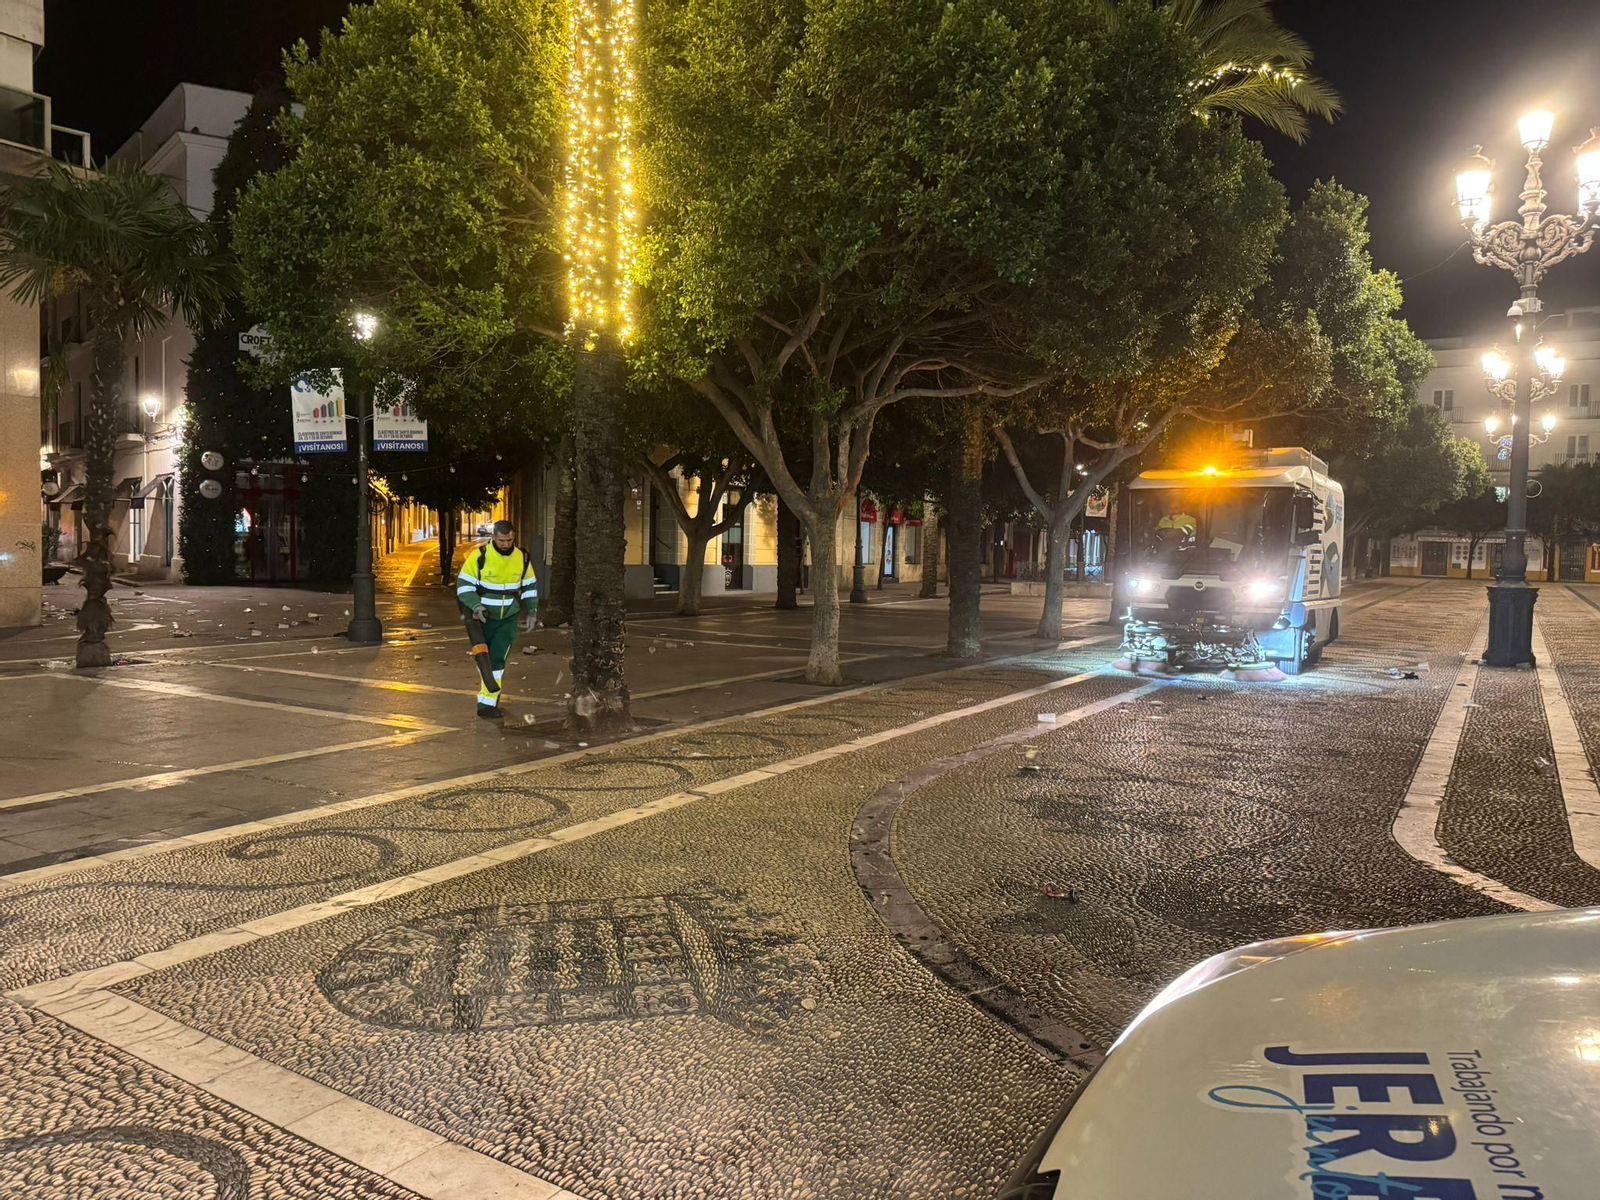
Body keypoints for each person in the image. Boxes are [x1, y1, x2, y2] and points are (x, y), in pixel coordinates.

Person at [454, 519, 539, 719]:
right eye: (502, 540)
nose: (506, 544)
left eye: (509, 540)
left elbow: (529, 586)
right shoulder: (480, 556)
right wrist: (476, 606)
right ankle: (489, 697)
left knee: (497, 659)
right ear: (493, 537)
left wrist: (532, 611)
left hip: (508, 617)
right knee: (484, 659)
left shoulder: (522, 558)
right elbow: (463, 586)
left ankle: (487, 703)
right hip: (483, 619)